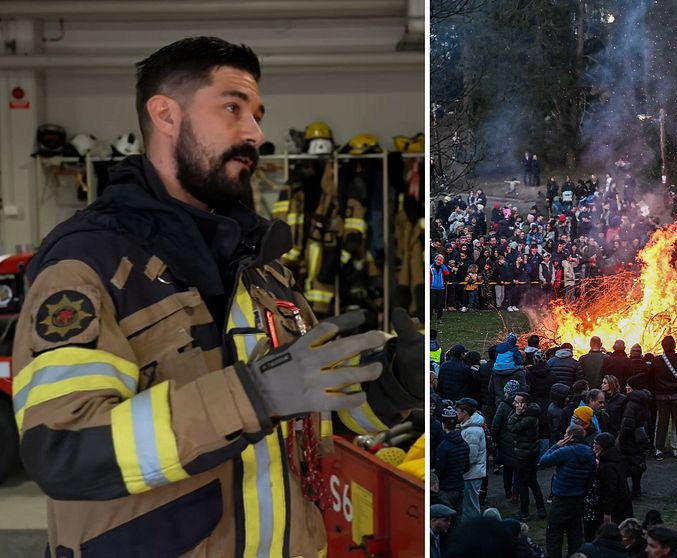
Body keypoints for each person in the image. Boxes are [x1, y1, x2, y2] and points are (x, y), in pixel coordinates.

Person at [11, 37, 423, 557]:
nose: (255, 133)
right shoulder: (88, 265)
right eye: (233, 108)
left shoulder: (260, 267)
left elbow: (304, 415)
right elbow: (63, 450)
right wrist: (253, 396)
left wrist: (389, 388)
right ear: (165, 114)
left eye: (257, 114)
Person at [540, 424, 598, 558]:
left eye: (566, 434)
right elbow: (591, 480)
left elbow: (543, 461)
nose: (564, 436)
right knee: (575, 535)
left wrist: (557, 445)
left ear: (571, 436)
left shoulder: (565, 451)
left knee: (554, 534)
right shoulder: (590, 454)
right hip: (578, 499)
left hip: (561, 499)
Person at [507, 391, 546, 520]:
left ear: (524, 404)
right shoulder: (532, 413)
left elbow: (512, 427)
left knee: (523, 483)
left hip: (524, 454)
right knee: (532, 481)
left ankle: (524, 512)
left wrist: (516, 414)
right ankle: (541, 509)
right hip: (531, 452)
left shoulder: (527, 418)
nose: (514, 403)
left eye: (517, 402)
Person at [435, 406, 471, 517]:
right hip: (459, 486)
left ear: (443, 424)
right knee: (457, 518)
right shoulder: (464, 444)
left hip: (446, 488)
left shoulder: (443, 446)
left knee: (446, 518)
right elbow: (467, 467)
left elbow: (440, 470)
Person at [457, 397, 489, 519]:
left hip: (471, 474)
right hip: (473, 473)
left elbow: (471, 456)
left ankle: (474, 531)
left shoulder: (472, 431)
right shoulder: (469, 428)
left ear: (465, 412)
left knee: (471, 508)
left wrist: (460, 468)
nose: (457, 413)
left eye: (458, 410)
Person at [593, 433, 634, 526]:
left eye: (596, 444)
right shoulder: (616, 459)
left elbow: (610, 490)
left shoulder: (607, 466)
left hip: (615, 509)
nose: (594, 445)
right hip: (622, 505)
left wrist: (607, 512)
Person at [432, 253, 451, 323]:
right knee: (431, 303)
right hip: (432, 288)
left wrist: (442, 265)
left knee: (440, 304)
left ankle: (439, 318)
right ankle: (429, 318)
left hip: (441, 288)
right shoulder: (430, 267)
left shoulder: (442, 267)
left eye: (441, 260)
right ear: (435, 260)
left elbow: (447, 273)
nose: (439, 261)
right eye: (438, 259)